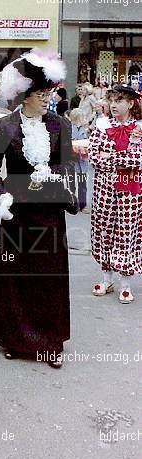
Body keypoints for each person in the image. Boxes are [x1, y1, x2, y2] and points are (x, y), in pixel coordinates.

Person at [0, 50, 77, 369]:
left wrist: (56, 176)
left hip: (49, 212)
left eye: (48, 93)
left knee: (49, 277)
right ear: (24, 97)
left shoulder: (60, 126)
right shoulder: (4, 127)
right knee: (17, 277)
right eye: (40, 95)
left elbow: (67, 164)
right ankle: (16, 340)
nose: (46, 100)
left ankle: (50, 343)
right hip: (18, 214)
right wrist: (3, 196)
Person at [88, 85, 142, 304]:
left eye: (119, 100)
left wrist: (110, 156)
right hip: (104, 188)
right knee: (104, 230)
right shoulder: (101, 125)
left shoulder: (139, 128)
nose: (113, 104)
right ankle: (106, 278)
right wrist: (121, 157)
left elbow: (137, 160)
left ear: (130, 103)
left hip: (130, 188)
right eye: (111, 100)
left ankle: (126, 284)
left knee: (126, 232)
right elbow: (93, 155)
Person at [69, 107, 89, 212]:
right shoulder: (68, 128)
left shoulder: (84, 129)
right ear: (77, 118)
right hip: (72, 160)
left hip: (82, 160)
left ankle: (83, 205)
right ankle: (72, 204)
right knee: (71, 184)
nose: (84, 119)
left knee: (82, 184)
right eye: (82, 118)